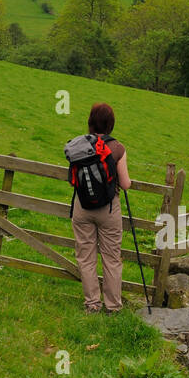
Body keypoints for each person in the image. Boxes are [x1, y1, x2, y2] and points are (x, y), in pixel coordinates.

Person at [71, 102, 131, 315]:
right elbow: (124, 184)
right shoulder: (117, 147)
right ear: (110, 123)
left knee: (85, 256)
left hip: (82, 206)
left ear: (90, 121)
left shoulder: (79, 145)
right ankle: (113, 306)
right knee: (111, 257)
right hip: (108, 210)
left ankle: (92, 304)